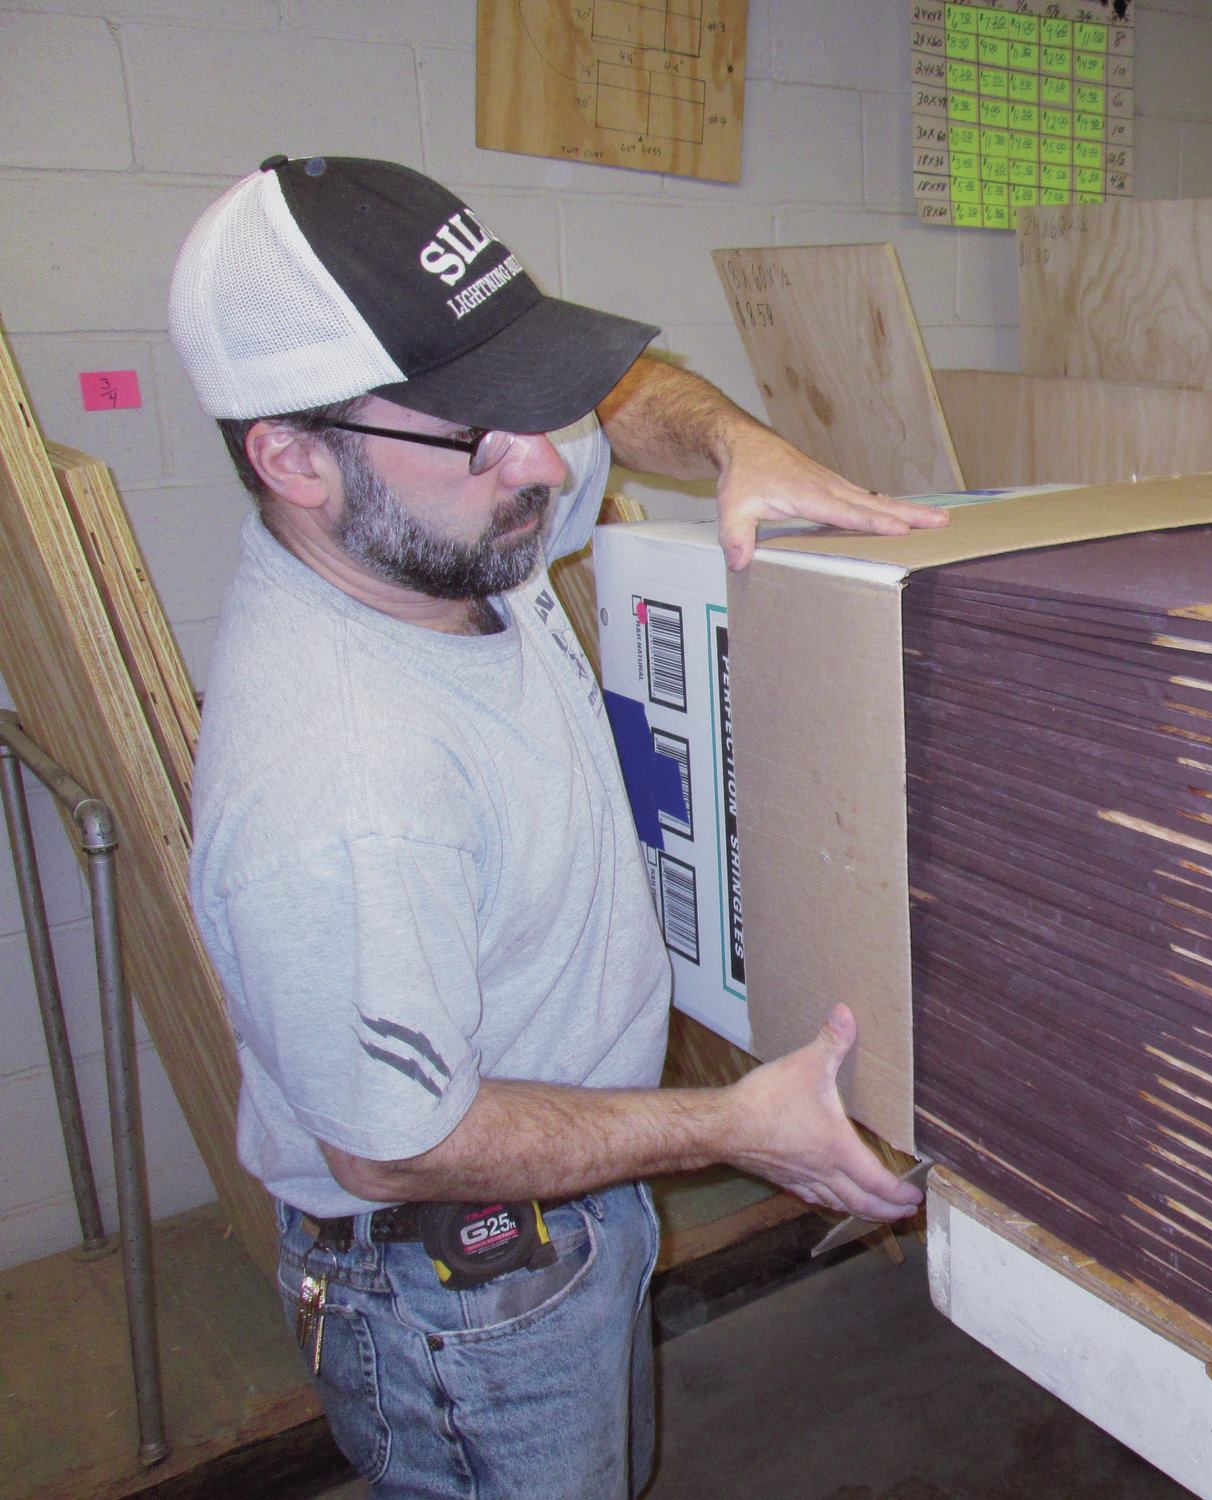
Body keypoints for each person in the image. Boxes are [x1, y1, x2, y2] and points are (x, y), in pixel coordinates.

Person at [170, 154, 941, 1498]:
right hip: (460, 1291)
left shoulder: (442, 522)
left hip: (569, 1214)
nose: (546, 457)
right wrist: (729, 1126)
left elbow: (620, 405)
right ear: (289, 457)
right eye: (479, 424)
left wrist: (733, 444)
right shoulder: (337, 787)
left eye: (531, 392)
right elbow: (400, 1142)